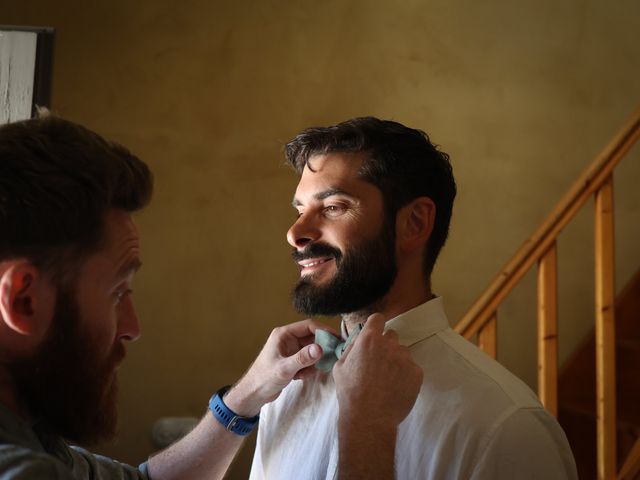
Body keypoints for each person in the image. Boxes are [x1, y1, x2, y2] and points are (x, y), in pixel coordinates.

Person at [0, 112, 423, 479]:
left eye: (332, 207)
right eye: (116, 293)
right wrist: (368, 428)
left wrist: (242, 401)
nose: (133, 328)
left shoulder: (31, 439)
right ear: (24, 300)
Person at [250, 117, 579, 479]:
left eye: (333, 207)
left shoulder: (507, 428)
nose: (295, 233)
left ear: (415, 223)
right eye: (300, 210)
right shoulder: (284, 393)